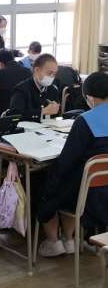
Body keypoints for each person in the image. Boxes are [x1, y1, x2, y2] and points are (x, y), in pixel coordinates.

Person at [37, 72, 108, 257]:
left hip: (89, 194)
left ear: (89, 97)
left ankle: (54, 242)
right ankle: (69, 239)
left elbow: (66, 161)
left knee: (47, 183)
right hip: (102, 189)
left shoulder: (85, 121)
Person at [9, 54, 60, 122]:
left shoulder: (53, 90)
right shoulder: (21, 90)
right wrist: (43, 111)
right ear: (37, 70)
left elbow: (56, 116)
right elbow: (14, 116)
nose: (51, 77)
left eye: (54, 74)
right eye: (49, 73)